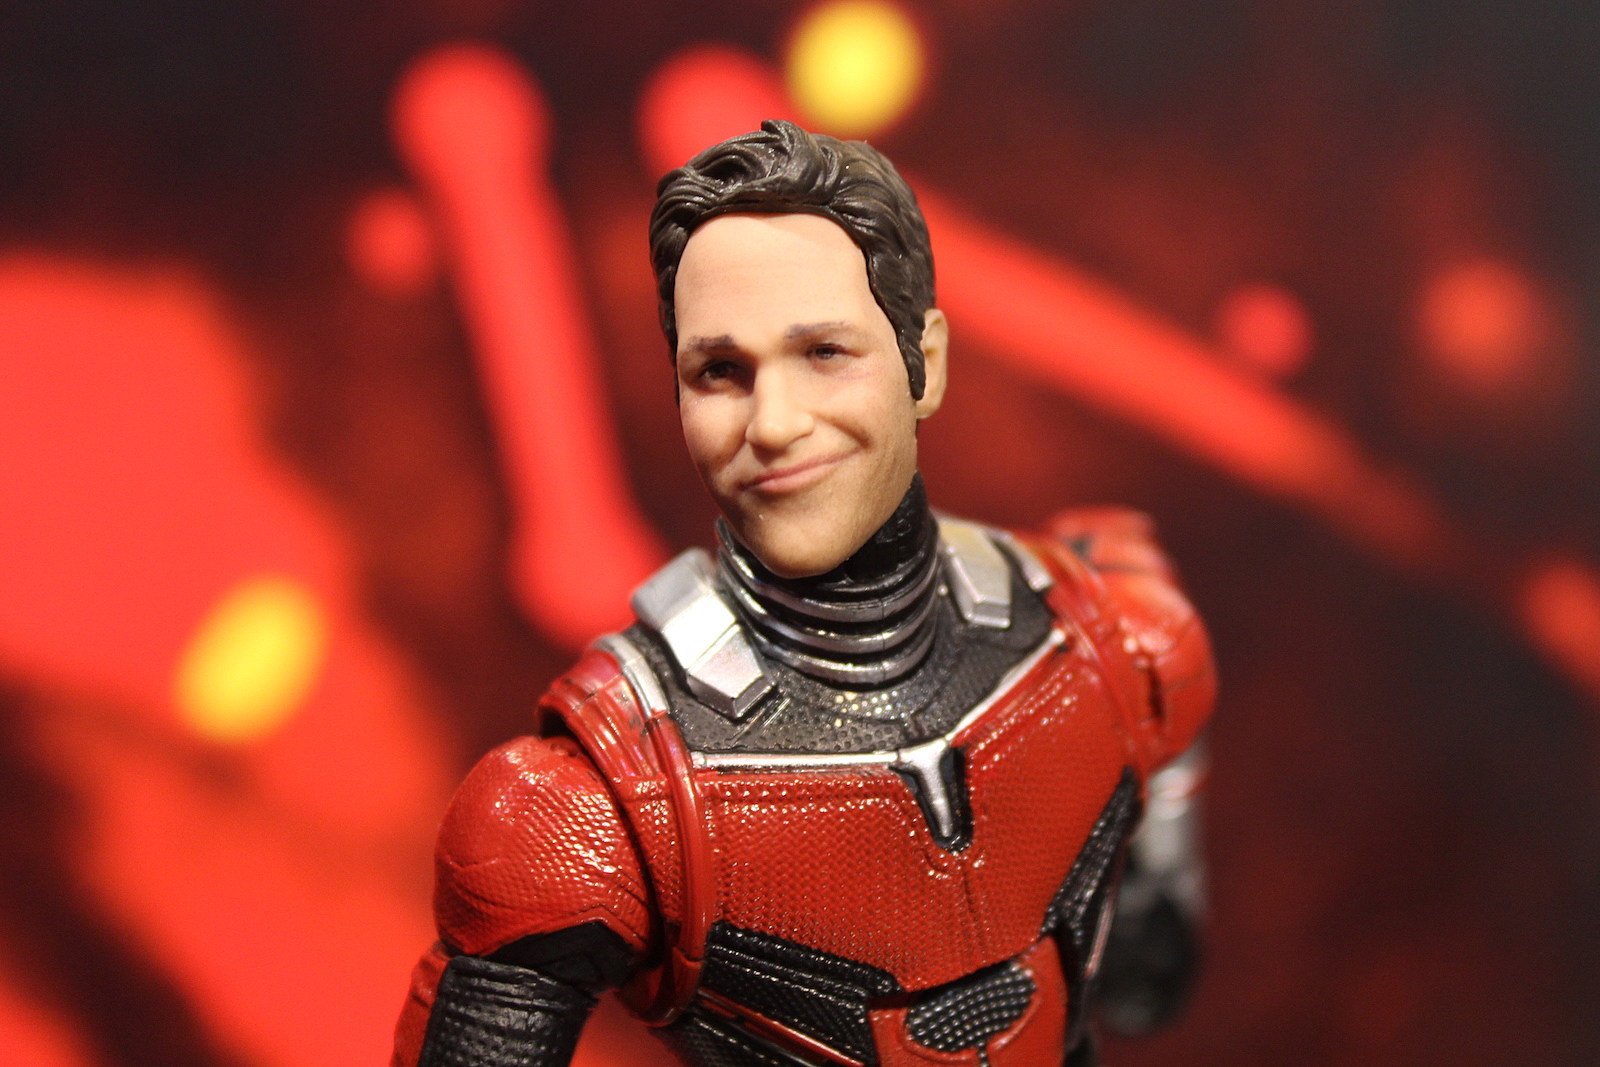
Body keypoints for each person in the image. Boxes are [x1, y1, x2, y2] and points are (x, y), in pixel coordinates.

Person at [393, 119, 1215, 1067]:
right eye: (720, 371)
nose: (774, 424)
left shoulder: (1119, 638)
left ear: (925, 362)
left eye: (824, 352)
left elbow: (1150, 972)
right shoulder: (592, 807)